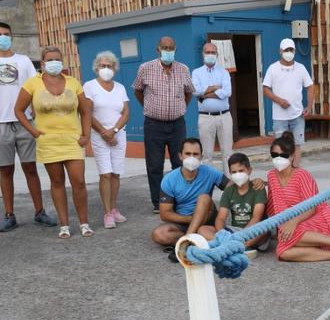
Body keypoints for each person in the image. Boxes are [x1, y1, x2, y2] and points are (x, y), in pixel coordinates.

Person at [0, 21, 56, 232]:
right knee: (6, 170)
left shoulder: (23, 60)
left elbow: (35, 87)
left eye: (6, 34)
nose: (2, 37)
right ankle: (9, 214)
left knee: (30, 167)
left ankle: (40, 211)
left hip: (24, 121)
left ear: (12, 36)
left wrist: (34, 115)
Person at [13, 46, 94, 239]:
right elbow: (18, 110)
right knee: (57, 182)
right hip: (48, 141)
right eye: (49, 60)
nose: (53, 62)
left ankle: (84, 223)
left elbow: (85, 111)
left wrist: (86, 134)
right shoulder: (32, 84)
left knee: (79, 181)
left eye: (57, 59)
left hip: (72, 140)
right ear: (42, 63)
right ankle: (64, 224)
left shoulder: (73, 82)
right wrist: (33, 130)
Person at [266, 132, 330, 262]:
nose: (278, 159)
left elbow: (311, 208)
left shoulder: (302, 175)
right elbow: (272, 205)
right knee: (283, 252)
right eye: (274, 155)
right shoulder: (272, 176)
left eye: (283, 155)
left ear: (292, 156)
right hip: (294, 224)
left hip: (319, 218)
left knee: (288, 236)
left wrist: (292, 223)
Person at [134, 36, 195, 213]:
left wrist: (180, 107)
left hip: (177, 125)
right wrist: (149, 106)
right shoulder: (145, 68)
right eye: (164, 48)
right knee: (154, 165)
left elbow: (188, 92)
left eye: (171, 48)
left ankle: (180, 200)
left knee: (180, 163)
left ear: (175, 49)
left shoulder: (183, 69)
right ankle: (158, 202)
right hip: (154, 125)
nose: (168, 51)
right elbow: (138, 90)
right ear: (158, 49)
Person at [152, 138, 230, 261]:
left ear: (201, 157)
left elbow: (233, 189)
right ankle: (196, 240)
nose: (192, 158)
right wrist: (191, 219)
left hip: (207, 218)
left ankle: (186, 243)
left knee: (204, 197)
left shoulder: (211, 173)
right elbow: (165, 214)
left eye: (195, 154)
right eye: (188, 154)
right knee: (159, 234)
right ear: (180, 156)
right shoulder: (169, 180)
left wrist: (253, 183)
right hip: (184, 220)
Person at [83, 51, 131, 229]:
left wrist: (115, 130)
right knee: (105, 174)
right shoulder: (90, 86)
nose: (106, 69)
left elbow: (126, 112)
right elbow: (87, 112)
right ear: (97, 67)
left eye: (109, 66)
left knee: (116, 173)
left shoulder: (120, 87)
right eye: (103, 65)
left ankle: (114, 207)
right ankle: (107, 213)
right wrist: (104, 132)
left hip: (119, 135)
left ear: (115, 68)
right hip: (99, 135)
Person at [198, 152, 270, 256]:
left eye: (241, 171)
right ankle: (232, 246)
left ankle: (238, 246)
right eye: (234, 172)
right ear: (230, 174)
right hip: (234, 231)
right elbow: (221, 218)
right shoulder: (229, 191)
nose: (238, 174)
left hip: (253, 231)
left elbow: (256, 217)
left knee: (265, 229)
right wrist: (222, 234)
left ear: (249, 170)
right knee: (203, 229)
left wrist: (243, 235)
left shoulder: (257, 188)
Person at [262, 38, 314, 168]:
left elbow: (310, 86)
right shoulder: (273, 68)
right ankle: (282, 170)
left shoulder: (300, 68)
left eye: (291, 50)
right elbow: (265, 89)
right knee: (280, 145)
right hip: (280, 116)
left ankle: (295, 171)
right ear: (281, 51)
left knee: (297, 144)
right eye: (286, 50)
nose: (289, 52)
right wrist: (279, 101)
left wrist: (309, 106)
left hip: (297, 114)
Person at [192, 41, 234, 172]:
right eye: (207, 52)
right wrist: (215, 88)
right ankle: (208, 183)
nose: (210, 55)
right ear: (203, 54)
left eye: (212, 52)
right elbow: (195, 91)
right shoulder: (196, 73)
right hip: (206, 118)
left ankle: (228, 183)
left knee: (227, 153)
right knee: (207, 154)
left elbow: (227, 92)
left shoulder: (224, 72)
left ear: (217, 54)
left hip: (224, 116)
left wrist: (205, 94)